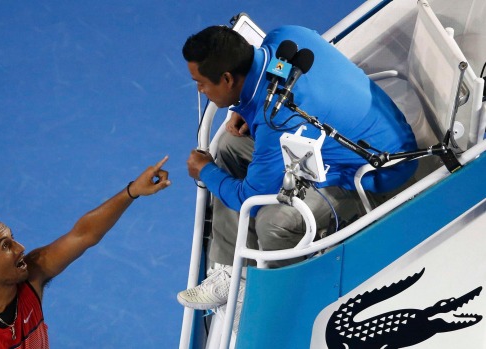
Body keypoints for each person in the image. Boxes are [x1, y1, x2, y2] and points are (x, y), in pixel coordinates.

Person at [177, 25, 418, 310]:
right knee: (230, 146)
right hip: (370, 132)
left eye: (201, 83)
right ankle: (234, 275)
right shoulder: (284, 37)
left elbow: (248, 199)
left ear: (227, 78)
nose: (200, 90)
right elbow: (276, 85)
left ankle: (290, 303)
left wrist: (205, 170)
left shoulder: (276, 118)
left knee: (273, 222)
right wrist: (245, 109)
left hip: (372, 173)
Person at [0, 157, 171, 348]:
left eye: (12, 239)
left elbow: (83, 235)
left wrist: (132, 191)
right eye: (5, 246)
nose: (20, 248)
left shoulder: (33, 274)